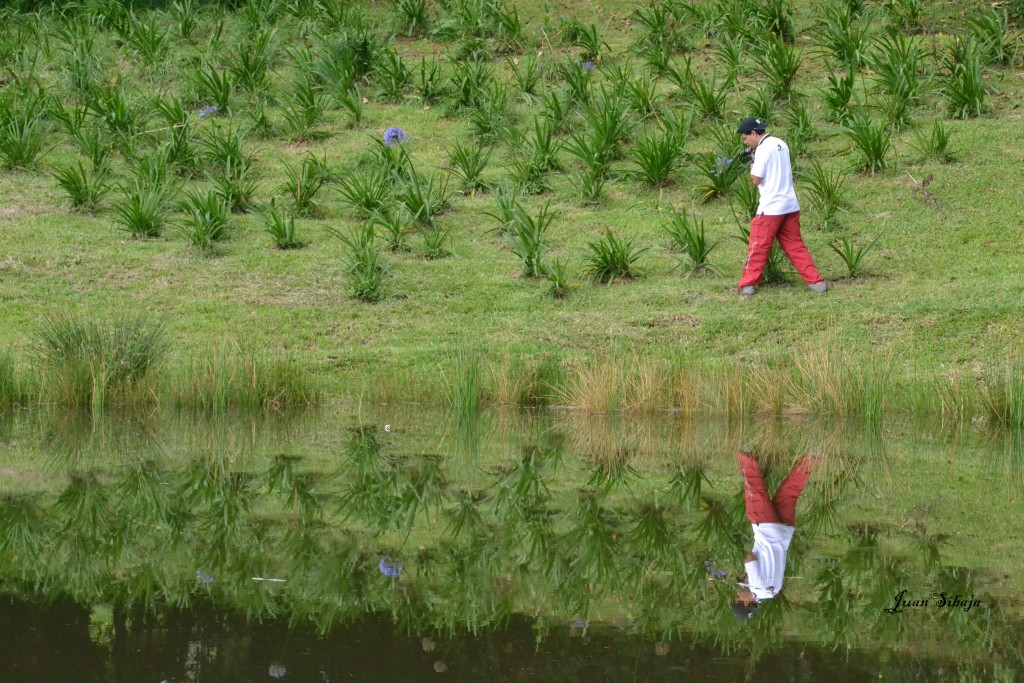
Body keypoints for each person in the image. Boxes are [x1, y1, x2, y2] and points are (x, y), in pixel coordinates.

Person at [736, 116, 827, 296]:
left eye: (746, 138)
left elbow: (756, 179)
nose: (746, 142)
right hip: (790, 204)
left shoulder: (761, 150)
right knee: (795, 245)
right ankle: (816, 283)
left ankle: (747, 285)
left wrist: (752, 161)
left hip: (771, 207)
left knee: (758, 246)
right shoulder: (781, 143)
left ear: (754, 133)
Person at [732, 451, 817, 620]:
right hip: (767, 530)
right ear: (747, 603)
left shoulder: (773, 592)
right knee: (754, 492)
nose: (737, 594)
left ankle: (812, 459)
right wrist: (747, 574)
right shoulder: (756, 587)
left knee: (790, 492)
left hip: (784, 533)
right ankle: (746, 456)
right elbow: (750, 558)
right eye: (737, 598)